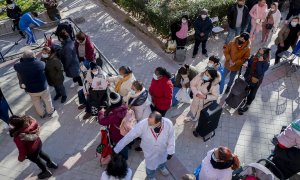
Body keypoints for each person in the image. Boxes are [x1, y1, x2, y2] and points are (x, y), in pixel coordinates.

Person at [114, 111, 175, 180]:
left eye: (151, 123)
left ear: (158, 123)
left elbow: (171, 137)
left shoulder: (168, 123)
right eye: (148, 121)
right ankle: (151, 177)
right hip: (149, 151)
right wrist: (117, 149)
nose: (148, 124)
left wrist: (171, 150)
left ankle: (162, 167)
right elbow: (130, 136)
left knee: (163, 160)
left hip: (163, 149)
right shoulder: (143, 123)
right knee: (150, 166)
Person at [14, 50, 55, 118]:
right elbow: (43, 64)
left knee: (36, 102)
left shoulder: (19, 66)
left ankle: (42, 114)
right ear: (33, 56)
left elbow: (15, 66)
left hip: (31, 90)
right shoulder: (40, 63)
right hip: (43, 88)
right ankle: (50, 112)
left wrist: (22, 60)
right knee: (47, 100)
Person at [238, 48, 270, 114]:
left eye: (261, 53)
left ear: (265, 55)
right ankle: (243, 100)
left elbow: (259, 72)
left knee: (252, 93)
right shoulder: (254, 56)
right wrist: (247, 63)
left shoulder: (266, 63)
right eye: (258, 51)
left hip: (256, 79)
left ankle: (247, 104)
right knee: (245, 89)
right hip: (248, 76)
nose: (258, 54)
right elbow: (249, 63)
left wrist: (260, 62)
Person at [98, 92, 128, 159]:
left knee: (121, 144)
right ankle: (125, 152)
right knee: (125, 142)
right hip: (127, 130)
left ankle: (124, 157)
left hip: (118, 133)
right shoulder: (125, 107)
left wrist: (101, 112)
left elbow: (102, 121)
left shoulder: (115, 115)